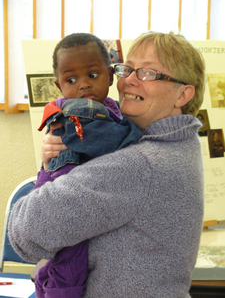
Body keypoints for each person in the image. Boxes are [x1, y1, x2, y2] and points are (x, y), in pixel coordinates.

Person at [8, 31, 206, 298]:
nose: (128, 82)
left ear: (183, 95)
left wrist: (48, 172)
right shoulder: (182, 146)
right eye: (128, 70)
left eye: (148, 73)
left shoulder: (141, 166)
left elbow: (25, 231)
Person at [32, 32, 144, 298]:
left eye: (92, 76)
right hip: (64, 194)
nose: (83, 85)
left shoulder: (112, 109)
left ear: (109, 75)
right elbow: (106, 141)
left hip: (85, 196)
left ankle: (44, 280)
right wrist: (140, 134)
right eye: (71, 80)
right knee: (71, 258)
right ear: (59, 86)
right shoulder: (74, 111)